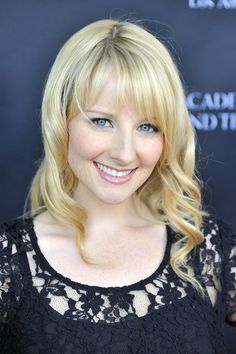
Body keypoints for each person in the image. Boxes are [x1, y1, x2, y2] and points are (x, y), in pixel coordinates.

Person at [0, 18, 235, 354]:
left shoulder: (210, 250)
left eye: (147, 126)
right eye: (101, 121)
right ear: (61, 119)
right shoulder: (8, 261)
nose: (125, 153)